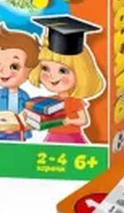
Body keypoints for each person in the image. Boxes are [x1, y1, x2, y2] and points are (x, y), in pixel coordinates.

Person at [29, 15, 106, 145]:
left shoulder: (74, 102)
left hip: (71, 137)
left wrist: (69, 121)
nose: (52, 76)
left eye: (63, 71)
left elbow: (84, 120)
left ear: (81, 73)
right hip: (52, 137)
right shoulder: (51, 101)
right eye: (45, 68)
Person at [0, 21, 40, 139]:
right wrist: (1, 125)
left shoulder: (24, 97)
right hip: (1, 135)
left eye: (14, 66)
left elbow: (29, 115)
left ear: (29, 72)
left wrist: (26, 124)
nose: (2, 71)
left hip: (19, 135)